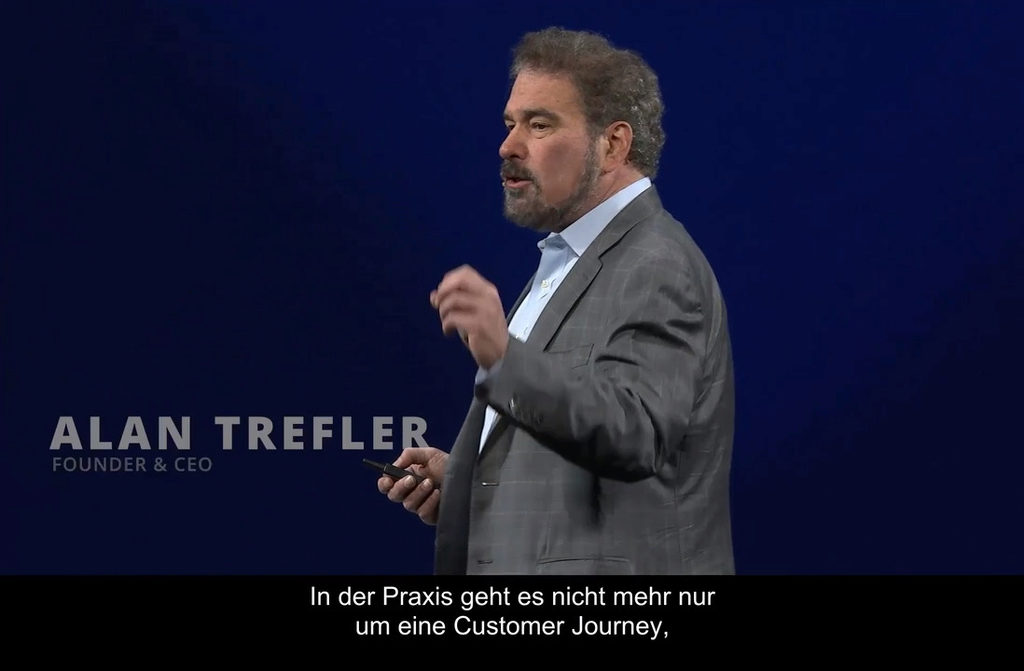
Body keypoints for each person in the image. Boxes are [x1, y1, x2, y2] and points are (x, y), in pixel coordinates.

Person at [378, 27, 735, 575]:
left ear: (613, 144)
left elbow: (634, 435)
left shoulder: (656, 264)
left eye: (539, 124)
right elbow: (578, 450)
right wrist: (472, 485)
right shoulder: (570, 260)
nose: (508, 146)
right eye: (510, 124)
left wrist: (503, 356)